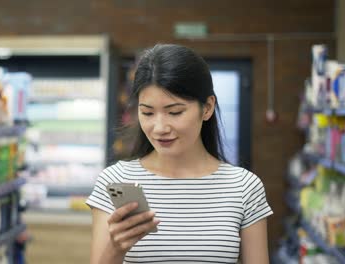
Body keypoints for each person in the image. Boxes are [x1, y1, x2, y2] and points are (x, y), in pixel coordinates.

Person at [86, 44, 273, 264]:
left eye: (174, 112)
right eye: (147, 112)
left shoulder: (243, 187)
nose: (159, 128)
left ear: (207, 108)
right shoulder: (115, 181)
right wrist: (115, 250)